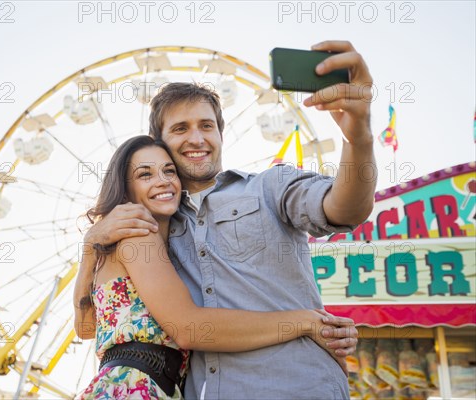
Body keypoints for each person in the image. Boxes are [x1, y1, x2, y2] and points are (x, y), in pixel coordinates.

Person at [78, 40, 375, 399]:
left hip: (295, 386)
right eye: (180, 128)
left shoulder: (270, 186)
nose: (197, 138)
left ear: (220, 134)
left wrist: (357, 137)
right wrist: (92, 243)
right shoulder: (150, 233)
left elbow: (346, 208)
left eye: (206, 125)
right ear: (161, 143)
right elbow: (95, 326)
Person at [74, 135, 358, 399]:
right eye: (145, 174)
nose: (162, 181)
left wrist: (90, 253)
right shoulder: (139, 237)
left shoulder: (158, 250)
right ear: (126, 188)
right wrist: (304, 322)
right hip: (135, 386)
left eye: (169, 171)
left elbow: (87, 329)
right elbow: (187, 327)